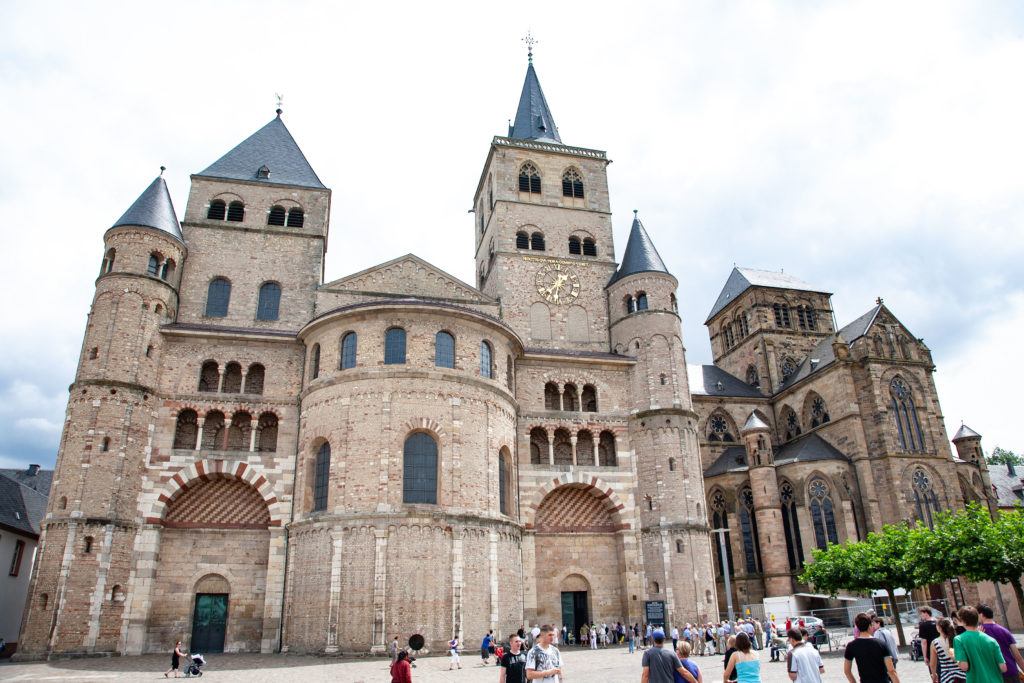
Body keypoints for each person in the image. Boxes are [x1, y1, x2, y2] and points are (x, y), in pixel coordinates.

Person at [954, 606, 1006, 683]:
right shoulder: (992, 640)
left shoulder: (959, 639)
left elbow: (964, 667)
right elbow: (1003, 668)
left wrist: (956, 660)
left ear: (964, 622)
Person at [844, 613, 900, 683]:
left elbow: (847, 671)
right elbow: (891, 671)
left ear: (857, 627)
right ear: (870, 626)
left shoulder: (851, 646)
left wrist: (853, 682)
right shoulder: (881, 644)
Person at [977, 603, 1024, 683]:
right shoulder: (1005, 631)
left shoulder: (979, 633)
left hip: (994, 675)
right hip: (1012, 672)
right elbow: (1018, 656)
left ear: (981, 615)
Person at [929, 617, 966, 683]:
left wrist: (934, 675)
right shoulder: (959, 639)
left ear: (939, 628)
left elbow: (932, 664)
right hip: (963, 676)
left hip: (946, 677)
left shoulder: (935, 643)